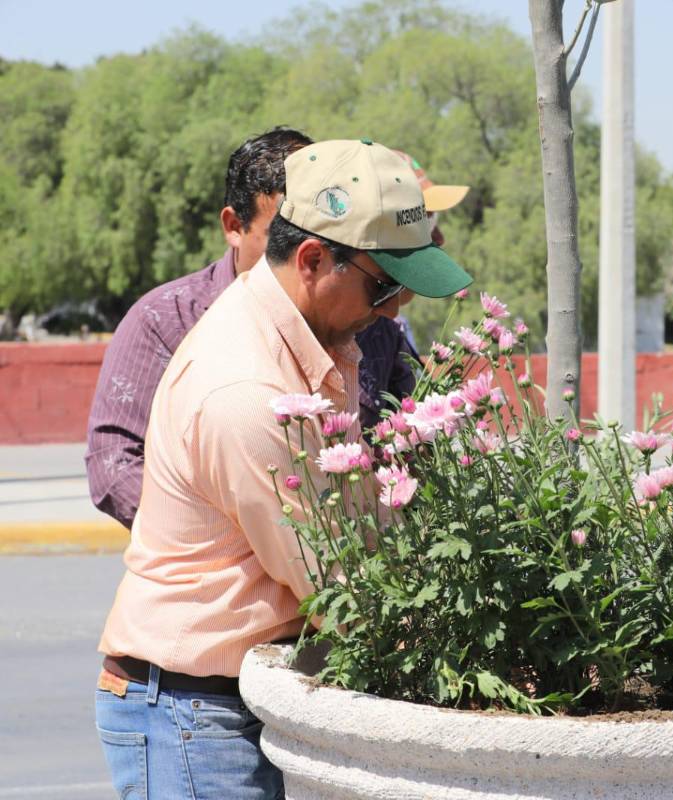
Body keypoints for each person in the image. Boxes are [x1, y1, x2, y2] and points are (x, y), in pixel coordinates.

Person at [93, 139, 472, 798]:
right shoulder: (248, 391)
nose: (398, 307)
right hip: (189, 713)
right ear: (312, 258)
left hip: (224, 699)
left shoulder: (306, 335)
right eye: (386, 285)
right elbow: (342, 585)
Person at [85, 128, 470, 527]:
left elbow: (416, 442)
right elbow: (113, 462)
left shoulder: (365, 317)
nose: (297, 248)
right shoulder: (165, 321)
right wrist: (220, 534)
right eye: (282, 232)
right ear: (234, 225)